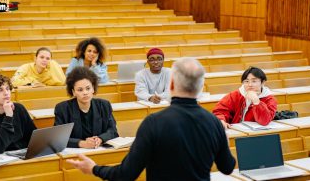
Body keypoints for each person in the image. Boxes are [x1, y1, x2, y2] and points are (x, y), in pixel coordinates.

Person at [67, 58, 236, 181]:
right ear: (200, 87)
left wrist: (94, 169)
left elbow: (126, 174)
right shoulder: (214, 122)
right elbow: (227, 167)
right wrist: (223, 140)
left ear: (171, 85)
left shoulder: (154, 123)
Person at [54, 66, 118, 148]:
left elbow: (113, 131)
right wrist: (81, 143)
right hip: (74, 154)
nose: (85, 93)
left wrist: (100, 139)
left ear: (93, 89)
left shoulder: (104, 105)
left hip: (98, 150)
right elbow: (58, 138)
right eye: (80, 90)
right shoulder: (62, 109)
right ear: (73, 92)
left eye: (88, 88)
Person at [212, 66, 277, 129]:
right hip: (236, 131)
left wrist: (257, 102)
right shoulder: (235, 95)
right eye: (246, 81)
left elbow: (264, 121)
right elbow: (220, 111)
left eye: (254, 81)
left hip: (257, 133)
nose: (250, 85)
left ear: (262, 82)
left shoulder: (270, 99)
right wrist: (221, 120)